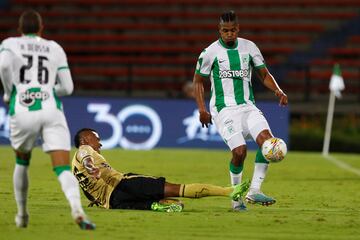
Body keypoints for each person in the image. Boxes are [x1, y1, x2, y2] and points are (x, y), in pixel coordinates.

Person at [0, 10, 95, 229]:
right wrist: (48, 90)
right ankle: (77, 210)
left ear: (19, 29)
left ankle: (22, 215)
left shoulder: (9, 44)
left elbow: (4, 66)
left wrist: (8, 92)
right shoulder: (55, 48)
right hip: (52, 109)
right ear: (41, 28)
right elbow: (68, 87)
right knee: (62, 168)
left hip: (23, 108)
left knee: (22, 162)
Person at [192, 10, 288, 211]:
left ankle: (254, 191)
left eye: (233, 30)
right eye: (225, 30)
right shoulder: (210, 52)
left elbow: (264, 74)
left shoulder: (249, 47)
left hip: (247, 106)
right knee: (239, 152)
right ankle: (236, 199)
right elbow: (198, 81)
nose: (229, 34)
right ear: (219, 30)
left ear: (238, 29)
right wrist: (201, 109)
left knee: (268, 143)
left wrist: (278, 91)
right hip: (224, 110)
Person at [72, 128, 250, 212]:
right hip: (123, 185)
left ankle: (159, 206)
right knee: (178, 189)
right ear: (85, 139)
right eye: (97, 138)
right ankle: (229, 191)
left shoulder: (74, 166)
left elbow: (87, 189)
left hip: (113, 203)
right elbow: (87, 159)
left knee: (167, 203)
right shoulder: (84, 149)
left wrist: (96, 199)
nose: (100, 143)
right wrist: (92, 168)